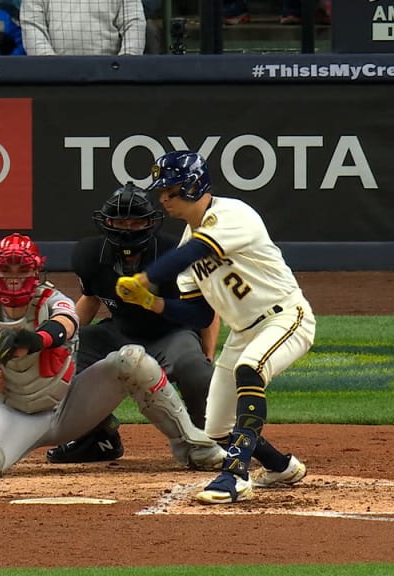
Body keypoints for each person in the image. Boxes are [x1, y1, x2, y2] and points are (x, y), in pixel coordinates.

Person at [0, 233, 224, 478]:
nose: (13, 276)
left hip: (71, 405)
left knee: (133, 360)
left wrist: (32, 340)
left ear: (35, 272)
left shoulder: (52, 299)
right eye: (6, 269)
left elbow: (66, 325)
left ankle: (196, 447)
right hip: (16, 414)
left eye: (20, 269)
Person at [115, 151, 316, 505]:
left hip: (285, 317)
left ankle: (235, 476)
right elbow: (198, 315)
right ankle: (281, 466)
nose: (163, 199)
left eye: (171, 191)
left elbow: (195, 251)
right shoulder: (187, 243)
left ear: (193, 187)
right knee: (217, 429)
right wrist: (152, 302)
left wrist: (146, 278)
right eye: (162, 191)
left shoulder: (233, 214)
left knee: (249, 370)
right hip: (243, 332)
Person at [46, 183, 220, 464]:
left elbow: (208, 306)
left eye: (135, 220)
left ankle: (212, 441)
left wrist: (208, 354)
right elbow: (90, 300)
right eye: (120, 221)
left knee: (197, 370)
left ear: (150, 222)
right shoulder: (90, 254)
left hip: (171, 334)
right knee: (60, 362)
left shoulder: (175, 252)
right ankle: (98, 438)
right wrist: (62, 339)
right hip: (119, 331)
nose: (127, 228)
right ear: (107, 222)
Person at [19, 0, 145, 56]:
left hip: (109, 72)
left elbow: (134, 23)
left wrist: (127, 60)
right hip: (55, 78)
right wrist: (50, 64)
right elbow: (33, 26)